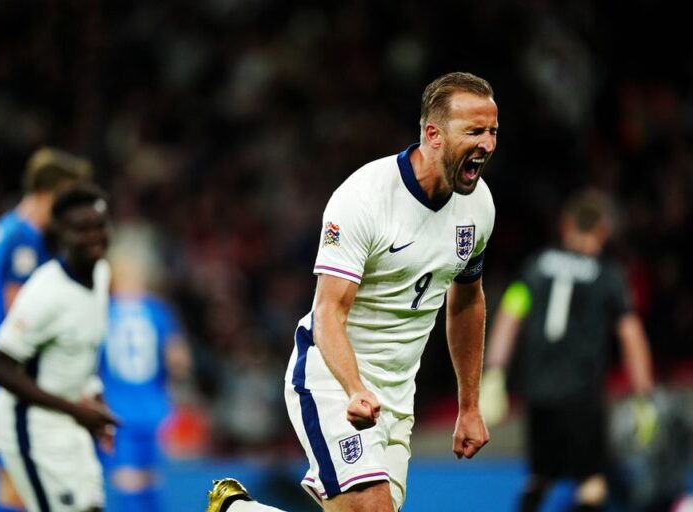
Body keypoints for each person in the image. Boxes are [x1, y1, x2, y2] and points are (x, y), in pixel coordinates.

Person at [207, 71, 498, 512]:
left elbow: (466, 302)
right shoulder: (364, 198)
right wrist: (354, 388)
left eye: (493, 131)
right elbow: (327, 312)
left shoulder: (479, 207)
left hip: (397, 396)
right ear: (433, 134)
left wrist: (470, 405)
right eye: (474, 131)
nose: (488, 144)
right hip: (333, 380)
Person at [479, 188, 655, 512]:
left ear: (565, 224)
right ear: (603, 229)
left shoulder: (536, 266)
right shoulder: (609, 276)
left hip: (538, 394)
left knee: (539, 477)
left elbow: (509, 315)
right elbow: (632, 336)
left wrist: (494, 374)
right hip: (582, 397)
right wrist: (644, 396)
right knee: (592, 483)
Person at [0, 183, 118, 512]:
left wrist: (94, 396)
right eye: (81, 229)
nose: (94, 236)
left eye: (99, 226)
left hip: (69, 422)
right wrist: (77, 411)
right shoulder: (45, 293)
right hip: (30, 428)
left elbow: (82, 350)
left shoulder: (101, 274)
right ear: (60, 235)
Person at [0, 147, 92, 512]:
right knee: (23, 485)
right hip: (20, 376)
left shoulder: (5, 230)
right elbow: (21, 314)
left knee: (17, 484)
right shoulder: (22, 240)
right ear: (48, 192)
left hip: (6, 372)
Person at [98, 231, 195, 512]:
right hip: (155, 409)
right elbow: (179, 361)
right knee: (152, 481)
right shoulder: (158, 311)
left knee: (127, 482)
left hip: (115, 410)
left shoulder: (103, 311)